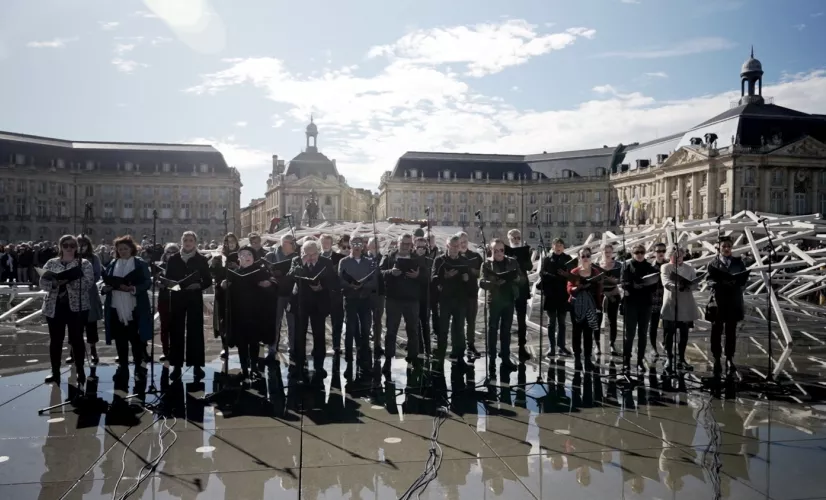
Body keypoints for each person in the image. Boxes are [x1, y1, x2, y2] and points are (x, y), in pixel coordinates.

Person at [39, 234, 95, 383]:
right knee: (55, 340)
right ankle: (55, 371)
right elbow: (42, 283)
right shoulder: (51, 263)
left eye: (72, 245)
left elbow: (88, 283)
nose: (69, 248)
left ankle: (80, 370)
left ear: (77, 247)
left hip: (77, 307)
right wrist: (54, 284)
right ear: (60, 247)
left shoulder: (83, 263)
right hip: (54, 306)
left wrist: (70, 280)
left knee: (77, 339)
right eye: (65, 245)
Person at [101, 235, 153, 380]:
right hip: (116, 305)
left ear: (132, 249)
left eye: (125, 248)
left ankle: (138, 366)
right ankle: (123, 365)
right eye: (120, 249)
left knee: (136, 339)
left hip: (134, 305)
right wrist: (106, 288)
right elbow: (106, 279)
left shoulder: (139, 263)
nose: (123, 251)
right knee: (120, 339)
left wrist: (133, 288)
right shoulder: (112, 263)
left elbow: (147, 282)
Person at [221, 245, 274, 381]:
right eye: (243, 255)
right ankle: (244, 368)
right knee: (242, 342)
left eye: (249, 255)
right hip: (239, 313)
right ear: (238, 259)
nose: (246, 257)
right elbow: (224, 293)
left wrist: (268, 284)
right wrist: (223, 286)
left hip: (256, 312)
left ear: (253, 257)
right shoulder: (233, 272)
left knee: (254, 341)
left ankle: (255, 367)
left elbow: (273, 283)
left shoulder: (261, 271)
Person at [164, 231, 212, 381]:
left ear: (195, 242)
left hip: (194, 297)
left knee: (195, 330)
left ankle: (197, 365)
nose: (188, 242)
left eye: (191, 240)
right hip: (177, 297)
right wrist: (175, 287)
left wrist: (198, 285)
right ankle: (176, 365)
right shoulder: (173, 259)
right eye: (185, 240)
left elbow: (208, 280)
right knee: (176, 330)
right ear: (181, 241)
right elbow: (168, 279)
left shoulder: (201, 259)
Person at [379, 233, 425, 375]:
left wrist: (418, 275)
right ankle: (388, 359)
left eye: (408, 244)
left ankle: (413, 356)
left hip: (412, 299)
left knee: (413, 330)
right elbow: (379, 273)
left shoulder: (417, 258)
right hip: (394, 299)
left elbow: (426, 276)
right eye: (403, 243)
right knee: (391, 330)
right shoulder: (389, 257)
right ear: (397, 243)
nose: (406, 246)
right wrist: (390, 272)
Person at [289, 240, 336, 377]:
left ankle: (319, 364)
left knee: (319, 333)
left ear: (319, 252)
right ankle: (300, 362)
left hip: (319, 301)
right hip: (301, 301)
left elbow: (333, 280)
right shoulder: (297, 260)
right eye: (307, 254)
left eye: (313, 254)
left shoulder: (326, 262)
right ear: (302, 252)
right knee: (300, 333)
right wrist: (302, 263)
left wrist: (322, 286)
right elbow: (291, 276)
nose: (310, 257)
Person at [707, 236, 749, 375]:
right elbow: (709, 280)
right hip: (718, 300)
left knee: (731, 331)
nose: (726, 249)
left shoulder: (738, 262)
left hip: (733, 299)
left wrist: (737, 284)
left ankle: (730, 357)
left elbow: (744, 279)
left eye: (729, 246)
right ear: (719, 247)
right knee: (716, 331)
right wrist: (715, 283)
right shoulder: (713, 262)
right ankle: (717, 357)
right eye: (724, 246)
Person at [480, 238, 522, 369]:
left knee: (506, 330)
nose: (499, 253)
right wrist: (493, 283)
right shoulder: (486, 264)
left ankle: (505, 357)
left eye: (501, 250)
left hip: (509, 299)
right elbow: (481, 282)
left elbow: (521, 278)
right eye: (496, 250)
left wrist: (516, 278)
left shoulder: (512, 262)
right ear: (491, 251)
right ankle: (491, 358)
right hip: (494, 300)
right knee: (492, 329)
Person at [339, 235, 377, 371]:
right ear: (350, 245)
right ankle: (349, 354)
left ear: (363, 246)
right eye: (354, 243)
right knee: (350, 327)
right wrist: (351, 286)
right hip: (350, 298)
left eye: (359, 244)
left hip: (365, 299)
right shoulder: (344, 262)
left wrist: (363, 286)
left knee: (366, 328)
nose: (356, 246)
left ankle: (364, 353)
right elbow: (340, 279)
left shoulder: (369, 262)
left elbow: (374, 281)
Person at [660, 247, 700, 373]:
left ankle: (682, 358)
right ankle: (669, 358)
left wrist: (691, 286)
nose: (678, 258)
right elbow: (666, 282)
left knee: (684, 334)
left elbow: (695, 284)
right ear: (669, 256)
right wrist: (679, 285)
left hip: (686, 303)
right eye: (675, 256)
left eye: (680, 256)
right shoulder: (665, 267)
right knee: (669, 333)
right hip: (671, 303)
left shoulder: (689, 268)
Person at [620, 244, 657, 374]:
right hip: (631, 303)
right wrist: (632, 286)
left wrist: (644, 286)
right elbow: (623, 282)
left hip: (646, 303)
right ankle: (626, 360)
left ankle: (640, 360)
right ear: (632, 253)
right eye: (637, 252)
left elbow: (654, 285)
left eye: (642, 252)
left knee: (643, 333)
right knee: (629, 333)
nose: (639, 254)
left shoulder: (650, 267)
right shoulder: (626, 266)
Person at [432, 234, 470, 362]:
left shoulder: (464, 261)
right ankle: (441, 353)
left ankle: (458, 354)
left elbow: (471, 281)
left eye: (457, 246)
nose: (455, 248)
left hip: (460, 299)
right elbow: (433, 279)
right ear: (447, 246)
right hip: (444, 300)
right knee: (443, 329)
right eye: (452, 246)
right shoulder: (439, 260)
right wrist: (445, 277)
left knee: (459, 328)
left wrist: (467, 279)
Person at [67, 235, 101, 365]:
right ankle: (73, 352)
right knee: (74, 325)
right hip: (73, 293)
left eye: (84, 244)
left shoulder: (94, 258)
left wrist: (85, 281)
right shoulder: (71, 257)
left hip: (89, 293)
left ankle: (93, 350)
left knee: (91, 323)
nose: (82, 247)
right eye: (79, 244)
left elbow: (97, 275)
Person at [566, 248, 603, 370]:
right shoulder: (575, 272)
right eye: (583, 256)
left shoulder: (595, 271)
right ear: (579, 258)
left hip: (591, 305)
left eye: (588, 255)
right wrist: (578, 288)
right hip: (576, 305)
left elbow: (599, 290)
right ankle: (577, 357)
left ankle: (587, 358)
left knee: (588, 332)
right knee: (577, 331)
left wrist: (599, 306)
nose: (585, 258)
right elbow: (569, 289)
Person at [265, 234, 297, 361]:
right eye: (291, 243)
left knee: (292, 323)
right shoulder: (271, 256)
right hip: (276, 294)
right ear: (284, 244)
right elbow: (265, 273)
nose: (294, 245)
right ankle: (272, 348)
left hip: (291, 294)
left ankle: (293, 347)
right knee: (275, 322)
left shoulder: (296, 257)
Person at [210, 233, 240, 360]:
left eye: (233, 241)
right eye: (228, 241)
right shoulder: (219, 255)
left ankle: (239, 343)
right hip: (222, 290)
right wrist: (217, 265)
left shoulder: (242, 254)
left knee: (237, 318)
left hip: (237, 291)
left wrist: (237, 267)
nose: (230, 243)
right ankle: (224, 346)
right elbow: (212, 272)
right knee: (223, 318)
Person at [541, 238, 573, 358]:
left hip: (563, 294)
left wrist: (565, 275)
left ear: (563, 247)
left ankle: (561, 346)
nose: (558, 247)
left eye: (560, 245)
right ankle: (551, 347)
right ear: (553, 246)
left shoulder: (568, 259)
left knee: (562, 322)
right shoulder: (547, 259)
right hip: (550, 294)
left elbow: (572, 275)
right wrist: (554, 276)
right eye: (556, 245)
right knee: (551, 322)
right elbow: (542, 273)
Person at [506, 229, 533, 362]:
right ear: (509, 238)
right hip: (509, 288)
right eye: (514, 238)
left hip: (521, 287)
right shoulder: (505, 251)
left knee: (522, 319)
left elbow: (529, 267)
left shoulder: (523, 251)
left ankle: (522, 346)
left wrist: (524, 257)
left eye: (518, 237)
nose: (516, 240)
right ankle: (506, 347)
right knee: (507, 319)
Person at [458, 232, 483, 358]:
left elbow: (482, 273)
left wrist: (472, 272)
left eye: (465, 242)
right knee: (459, 322)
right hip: (457, 295)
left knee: (471, 321)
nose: (463, 244)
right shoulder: (454, 256)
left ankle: (471, 344)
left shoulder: (475, 256)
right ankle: (460, 345)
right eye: (461, 242)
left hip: (472, 293)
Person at [597, 244, 622, 356]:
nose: (607, 254)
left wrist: (615, 281)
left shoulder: (618, 265)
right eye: (605, 252)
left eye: (609, 252)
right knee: (597, 320)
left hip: (613, 294)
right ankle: (597, 345)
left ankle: (612, 344)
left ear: (612, 252)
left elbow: (621, 280)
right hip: (600, 295)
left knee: (613, 321)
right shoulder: (597, 266)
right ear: (601, 252)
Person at [156, 243, 179, 361]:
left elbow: (181, 284)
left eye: (174, 252)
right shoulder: (160, 266)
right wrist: (158, 283)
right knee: (164, 325)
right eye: (169, 252)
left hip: (177, 298)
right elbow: (156, 280)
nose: (171, 254)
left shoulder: (180, 265)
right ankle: (165, 350)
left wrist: (172, 285)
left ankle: (176, 350)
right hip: (164, 298)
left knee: (177, 326)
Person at [327, 235, 349, 354]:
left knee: (352, 321)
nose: (346, 249)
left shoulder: (354, 258)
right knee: (337, 321)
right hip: (337, 294)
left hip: (351, 293)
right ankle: (336, 345)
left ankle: (351, 344)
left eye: (348, 247)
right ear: (339, 246)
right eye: (344, 246)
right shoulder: (334, 258)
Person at [414, 236, 434, 357]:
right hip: (414, 295)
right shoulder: (412, 259)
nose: (421, 249)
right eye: (418, 247)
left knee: (425, 323)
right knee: (415, 323)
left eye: (423, 247)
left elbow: (430, 276)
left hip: (425, 295)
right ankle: (419, 348)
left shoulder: (429, 260)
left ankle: (428, 348)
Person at [368, 237, 386, 359]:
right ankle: (364, 344)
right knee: (365, 321)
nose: (375, 247)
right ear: (368, 246)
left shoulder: (383, 258)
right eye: (372, 245)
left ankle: (377, 344)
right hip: (365, 293)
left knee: (377, 321)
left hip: (379, 294)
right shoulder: (363, 258)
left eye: (377, 244)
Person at [649, 242, 668, 357]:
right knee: (653, 325)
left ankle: (666, 346)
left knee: (667, 325)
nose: (661, 253)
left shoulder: (669, 265)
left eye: (663, 251)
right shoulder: (650, 267)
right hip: (654, 299)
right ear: (654, 252)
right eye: (658, 251)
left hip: (666, 299)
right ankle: (653, 347)